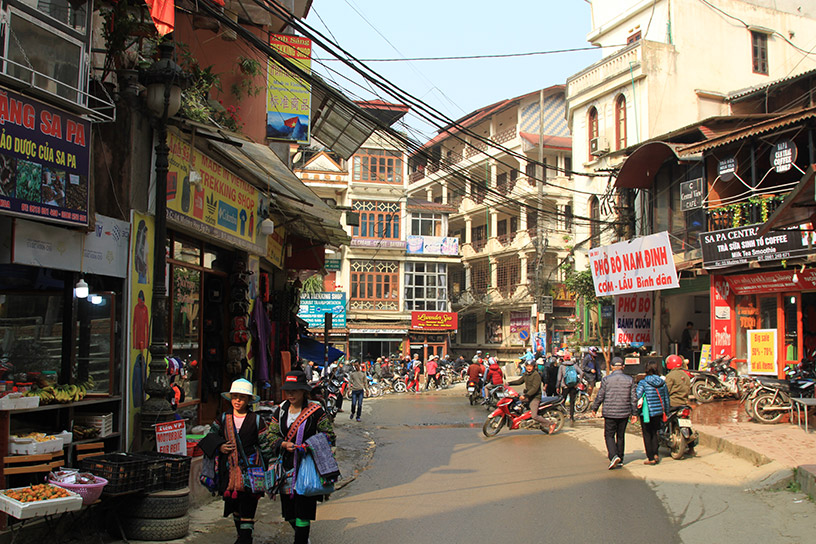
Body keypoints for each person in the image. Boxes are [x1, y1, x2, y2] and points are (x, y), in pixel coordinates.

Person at [263, 370, 336, 544]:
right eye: (288, 390)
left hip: (308, 466)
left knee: (304, 509)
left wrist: (308, 445)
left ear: (304, 391)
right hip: (286, 467)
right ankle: (302, 536)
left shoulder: (316, 411)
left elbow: (329, 435)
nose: (290, 394)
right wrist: (282, 444)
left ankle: (301, 540)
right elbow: (270, 435)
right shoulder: (280, 411)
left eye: (295, 390)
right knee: (289, 512)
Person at [198, 378, 271, 544]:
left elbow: (265, 445)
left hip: (252, 471)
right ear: (230, 398)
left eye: (242, 397)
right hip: (229, 471)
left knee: (248, 505)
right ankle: (241, 536)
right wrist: (221, 446)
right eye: (235, 396)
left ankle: (246, 538)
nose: (238, 400)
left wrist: (270, 468)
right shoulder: (223, 419)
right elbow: (210, 437)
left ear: (249, 400)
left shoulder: (257, 421)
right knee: (234, 505)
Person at [591, 357, 637, 469]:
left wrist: (594, 408)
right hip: (624, 412)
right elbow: (634, 398)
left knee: (609, 435)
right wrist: (635, 413)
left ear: (611, 366)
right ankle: (620, 458)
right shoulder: (629, 379)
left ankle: (613, 456)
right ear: (623, 367)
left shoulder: (606, 380)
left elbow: (600, 395)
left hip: (610, 413)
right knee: (620, 436)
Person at [507, 360, 556, 433]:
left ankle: (551, 424)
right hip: (528, 396)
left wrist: (525, 395)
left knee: (534, 416)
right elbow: (519, 381)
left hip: (535, 397)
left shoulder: (536, 375)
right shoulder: (526, 374)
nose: (529, 368)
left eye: (530, 366)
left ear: (533, 367)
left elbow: (534, 388)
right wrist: (509, 383)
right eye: (527, 366)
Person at [636, 361, 670, 465]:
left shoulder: (643, 382)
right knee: (655, 433)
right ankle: (656, 453)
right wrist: (666, 411)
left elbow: (637, 396)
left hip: (646, 413)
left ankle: (650, 457)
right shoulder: (662, 382)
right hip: (658, 412)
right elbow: (666, 398)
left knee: (647, 434)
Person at [664, 354, 696, 456]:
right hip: (684, 403)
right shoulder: (686, 375)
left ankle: (663, 434)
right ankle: (692, 448)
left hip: (673, 404)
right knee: (688, 425)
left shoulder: (670, 376)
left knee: (662, 420)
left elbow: (666, 391)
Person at [557, 353, 583, 425]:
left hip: (565, 386)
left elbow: (559, 378)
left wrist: (557, 386)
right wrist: (578, 382)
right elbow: (581, 372)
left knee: (562, 401)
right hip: (573, 386)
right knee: (572, 402)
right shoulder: (574, 365)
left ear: (564, 358)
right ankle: (571, 417)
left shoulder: (562, 366)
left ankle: (562, 415)